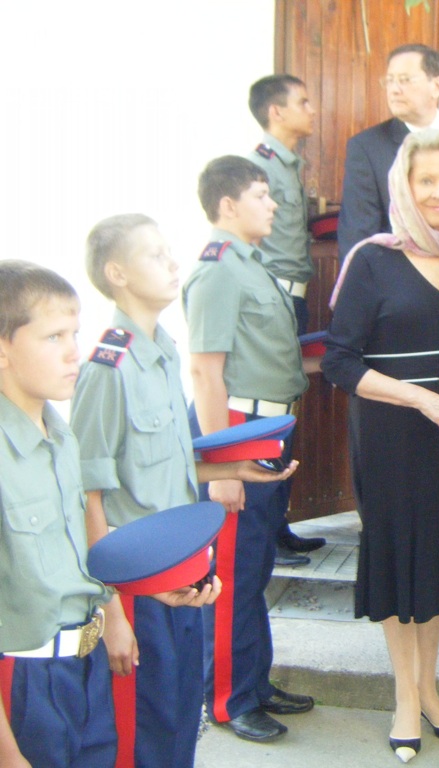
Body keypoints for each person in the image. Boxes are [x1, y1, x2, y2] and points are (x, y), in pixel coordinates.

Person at [71, 214, 296, 767]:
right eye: (155, 255)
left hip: (184, 572)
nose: (173, 264)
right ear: (117, 273)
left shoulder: (164, 350)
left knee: (178, 723)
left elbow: (166, 466)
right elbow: (88, 496)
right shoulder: (109, 368)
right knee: (141, 733)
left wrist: (233, 470)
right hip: (136, 586)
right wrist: (112, 615)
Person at [322, 128, 439, 764]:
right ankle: (404, 695)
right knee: (401, 562)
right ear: (404, 184)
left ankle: (430, 688)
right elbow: (340, 362)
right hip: (394, 437)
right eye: (428, 180)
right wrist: (420, 398)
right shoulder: (372, 260)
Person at [182, 156, 313, 743]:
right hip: (235, 427)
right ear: (228, 204)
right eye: (262, 195)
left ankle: (253, 682)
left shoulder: (250, 263)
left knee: (254, 566)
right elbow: (205, 372)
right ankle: (228, 699)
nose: (274, 204)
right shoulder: (217, 270)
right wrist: (221, 466)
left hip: (265, 428)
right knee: (231, 572)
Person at [0, 261, 118, 768]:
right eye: (53, 337)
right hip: (24, 684)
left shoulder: (61, 436)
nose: (74, 352)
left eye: (74, 333)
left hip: (84, 667)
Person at [246, 73, 326, 564]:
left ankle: (278, 524)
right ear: (276, 112)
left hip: (292, 299)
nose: (311, 109)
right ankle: (264, 535)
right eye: (303, 101)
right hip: (274, 298)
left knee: (288, 412)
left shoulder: (288, 164)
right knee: (272, 413)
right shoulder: (260, 165)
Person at [337, 44, 439, 258]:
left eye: (405, 80)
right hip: (395, 277)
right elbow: (358, 240)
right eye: (389, 81)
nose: (394, 90)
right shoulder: (367, 148)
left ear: (437, 86)